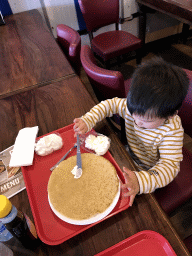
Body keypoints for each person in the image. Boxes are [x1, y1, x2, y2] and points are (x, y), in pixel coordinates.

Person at [73, 57, 189, 206]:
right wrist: (88, 119)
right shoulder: (136, 109)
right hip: (128, 157)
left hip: (148, 174)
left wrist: (140, 181)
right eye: (133, 112)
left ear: (171, 114)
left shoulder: (171, 131)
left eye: (147, 121)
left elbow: (169, 168)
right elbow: (109, 104)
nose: (137, 121)